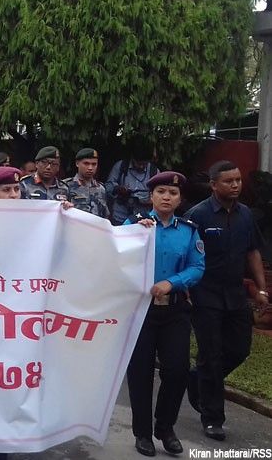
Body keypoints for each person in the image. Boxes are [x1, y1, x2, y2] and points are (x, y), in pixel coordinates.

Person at [185, 161, 268, 441]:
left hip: (235, 295)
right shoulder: (198, 215)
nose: (235, 185)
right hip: (205, 295)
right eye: (228, 181)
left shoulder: (246, 215)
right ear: (213, 185)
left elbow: (252, 252)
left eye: (238, 180)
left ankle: (197, 378)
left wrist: (261, 288)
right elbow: (186, 254)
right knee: (211, 355)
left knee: (239, 349)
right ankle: (212, 418)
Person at [124, 172, 205, 457]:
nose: (167, 197)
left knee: (177, 369)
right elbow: (117, 255)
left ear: (180, 199)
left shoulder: (188, 230)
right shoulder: (134, 225)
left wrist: (172, 282)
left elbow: (197, 267)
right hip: (141, 310)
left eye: (173, 193)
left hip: (174, 309)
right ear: (151, 197)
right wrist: (135, 235)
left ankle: (165, 427)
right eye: (161, 192)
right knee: (140, 372)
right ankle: (143, 433)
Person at [106, 141, 159, 225]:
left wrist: (148, 200)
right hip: (120, 217)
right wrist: (118, 189)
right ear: (132, 158)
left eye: (144, 164)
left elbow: (160, 194)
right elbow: (108, 187)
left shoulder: (154, 171)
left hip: (144, 220)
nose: (141, 166)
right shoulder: (121, 166)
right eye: (138, 163)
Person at [65, 148, 109, 218]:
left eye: (94, 164)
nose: (90, 168)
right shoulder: (65, 186)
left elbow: (105, 215)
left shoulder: (101, 188)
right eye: (86, 163)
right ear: (77, 163)